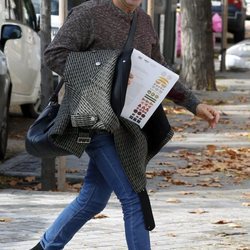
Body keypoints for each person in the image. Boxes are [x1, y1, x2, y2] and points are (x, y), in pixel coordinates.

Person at [31, 0, 220, 249]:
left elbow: (159, 70)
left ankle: (46, 245)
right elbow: (54, 54)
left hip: (127, 125)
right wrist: (108, 70)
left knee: (93, 200)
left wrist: (194, 105)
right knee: (134, 197)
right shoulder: (89, 13)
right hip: (95, 120)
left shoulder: (143, 21)